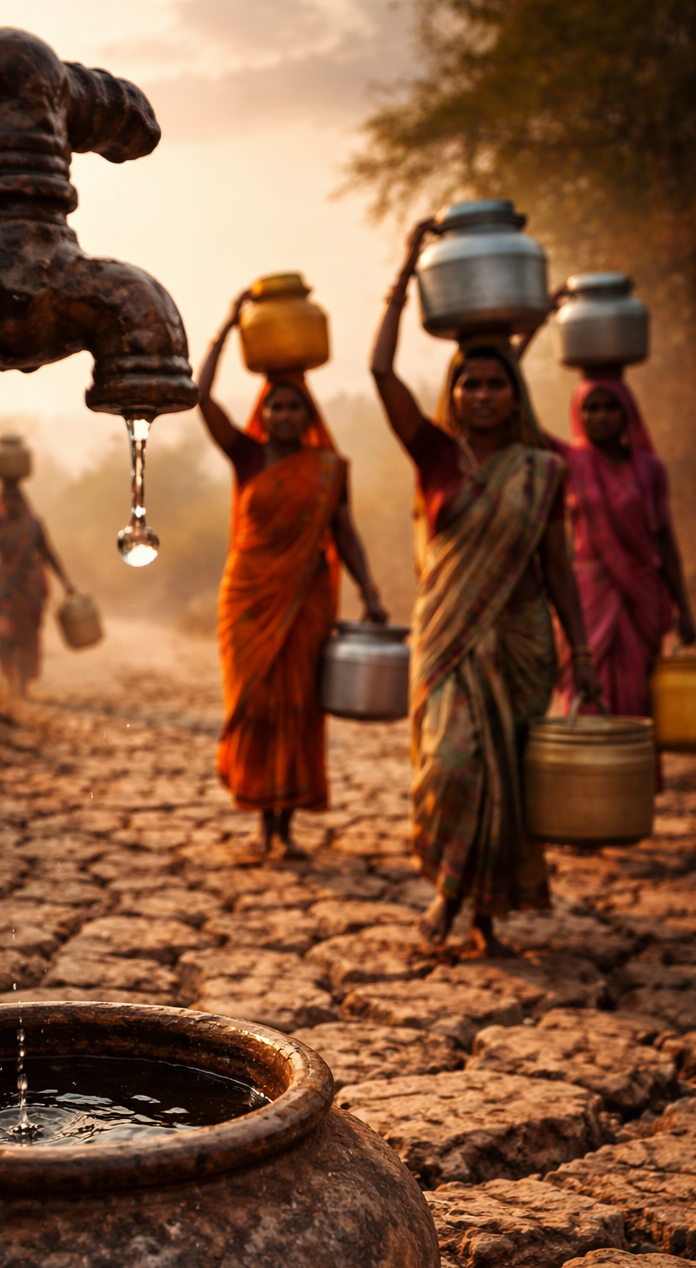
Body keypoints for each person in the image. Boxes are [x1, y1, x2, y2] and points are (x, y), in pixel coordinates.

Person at [370, 220, 602, 954]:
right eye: (469, 382)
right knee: (455, 763)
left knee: (507, 777)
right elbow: (381, 374)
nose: (481, 393)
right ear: (455, 390)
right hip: (446, 638)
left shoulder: (542, 468)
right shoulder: (434, 452)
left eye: (495, 382)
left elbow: (558, 566)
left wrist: (584, 651)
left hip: (522, 638)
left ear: (514, 393)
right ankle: (448, 889)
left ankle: (481, 915)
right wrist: (406, 271)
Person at [199, 289, 388, 859]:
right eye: (276, 406)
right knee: (254, 704)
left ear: (309, 416)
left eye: (294, 407)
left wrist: (370, 591)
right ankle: (260, 819)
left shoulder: (330, 470)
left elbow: (344, 534)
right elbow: (200, 397)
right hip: (247, 599)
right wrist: (226, 331)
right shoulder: (247, 455)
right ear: (264, 413)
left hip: (305, 600)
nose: (284, 415)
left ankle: (285, 825)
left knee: (297, 706)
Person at [537, 375, 696, 715]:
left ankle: (633, 769)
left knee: (638, 700)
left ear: (628, 412)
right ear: (577, 415)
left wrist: (684, 608)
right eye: (590, 408)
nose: (601, 417)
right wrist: (511, 349)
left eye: (611, 407)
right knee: (584, 694)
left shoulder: (650, 469)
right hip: (587, 601)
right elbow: (521, 421)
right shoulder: (568, 461)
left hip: (641, 596)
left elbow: (665, 539)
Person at [0, 441, 75, 696]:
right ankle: (10, 678)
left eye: (15, 498)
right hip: (3, 585)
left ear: (23, 501)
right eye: (6, 498)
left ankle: (22, 684)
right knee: (4, 633)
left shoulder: (34, 525)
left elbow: (48, 554)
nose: (10, 502)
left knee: (27, 634)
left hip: (29, 586)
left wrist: (66, 583)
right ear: (0, 501)